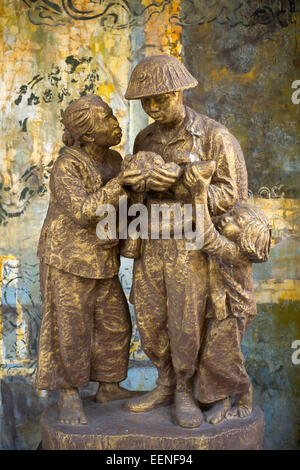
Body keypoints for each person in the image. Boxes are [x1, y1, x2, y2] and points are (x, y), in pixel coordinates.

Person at [124, 55, 248, 428]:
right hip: (151, 240)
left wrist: (180, 184)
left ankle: (183, 388)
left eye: (160, 99)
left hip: (190, 245)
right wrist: (138, 183)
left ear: (179, 91)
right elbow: (135, 191)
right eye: (146, 102)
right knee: (148, 316)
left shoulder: (214, 136)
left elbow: (232, 195)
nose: (153, 108)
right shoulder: (144, 137)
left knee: (185, 320)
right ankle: (163, 381)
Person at [35, 94, 143, 425]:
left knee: (115, 324)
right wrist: (121, 184)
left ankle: (109, 385)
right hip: (66, 259)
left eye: (114, 117)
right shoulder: (67, 166)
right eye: (106, 118)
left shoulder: (113, 160)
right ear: (85, 132)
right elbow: (84, 212)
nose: (115, 122)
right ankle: (68, 392)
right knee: (71, 329)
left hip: (101, 260)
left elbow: (127, 207)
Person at [183, 161, 271, 424]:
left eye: (236, 221)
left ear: (246, 238)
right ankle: (220, 402)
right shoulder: (230, 247)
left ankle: (243, 395)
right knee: (213, 356)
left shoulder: (235, 253)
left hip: (234, 312)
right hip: (222, 308)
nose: (227, 218)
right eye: (232, 215)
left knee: (222, 357)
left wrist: (200, 193)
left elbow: (206, 237)